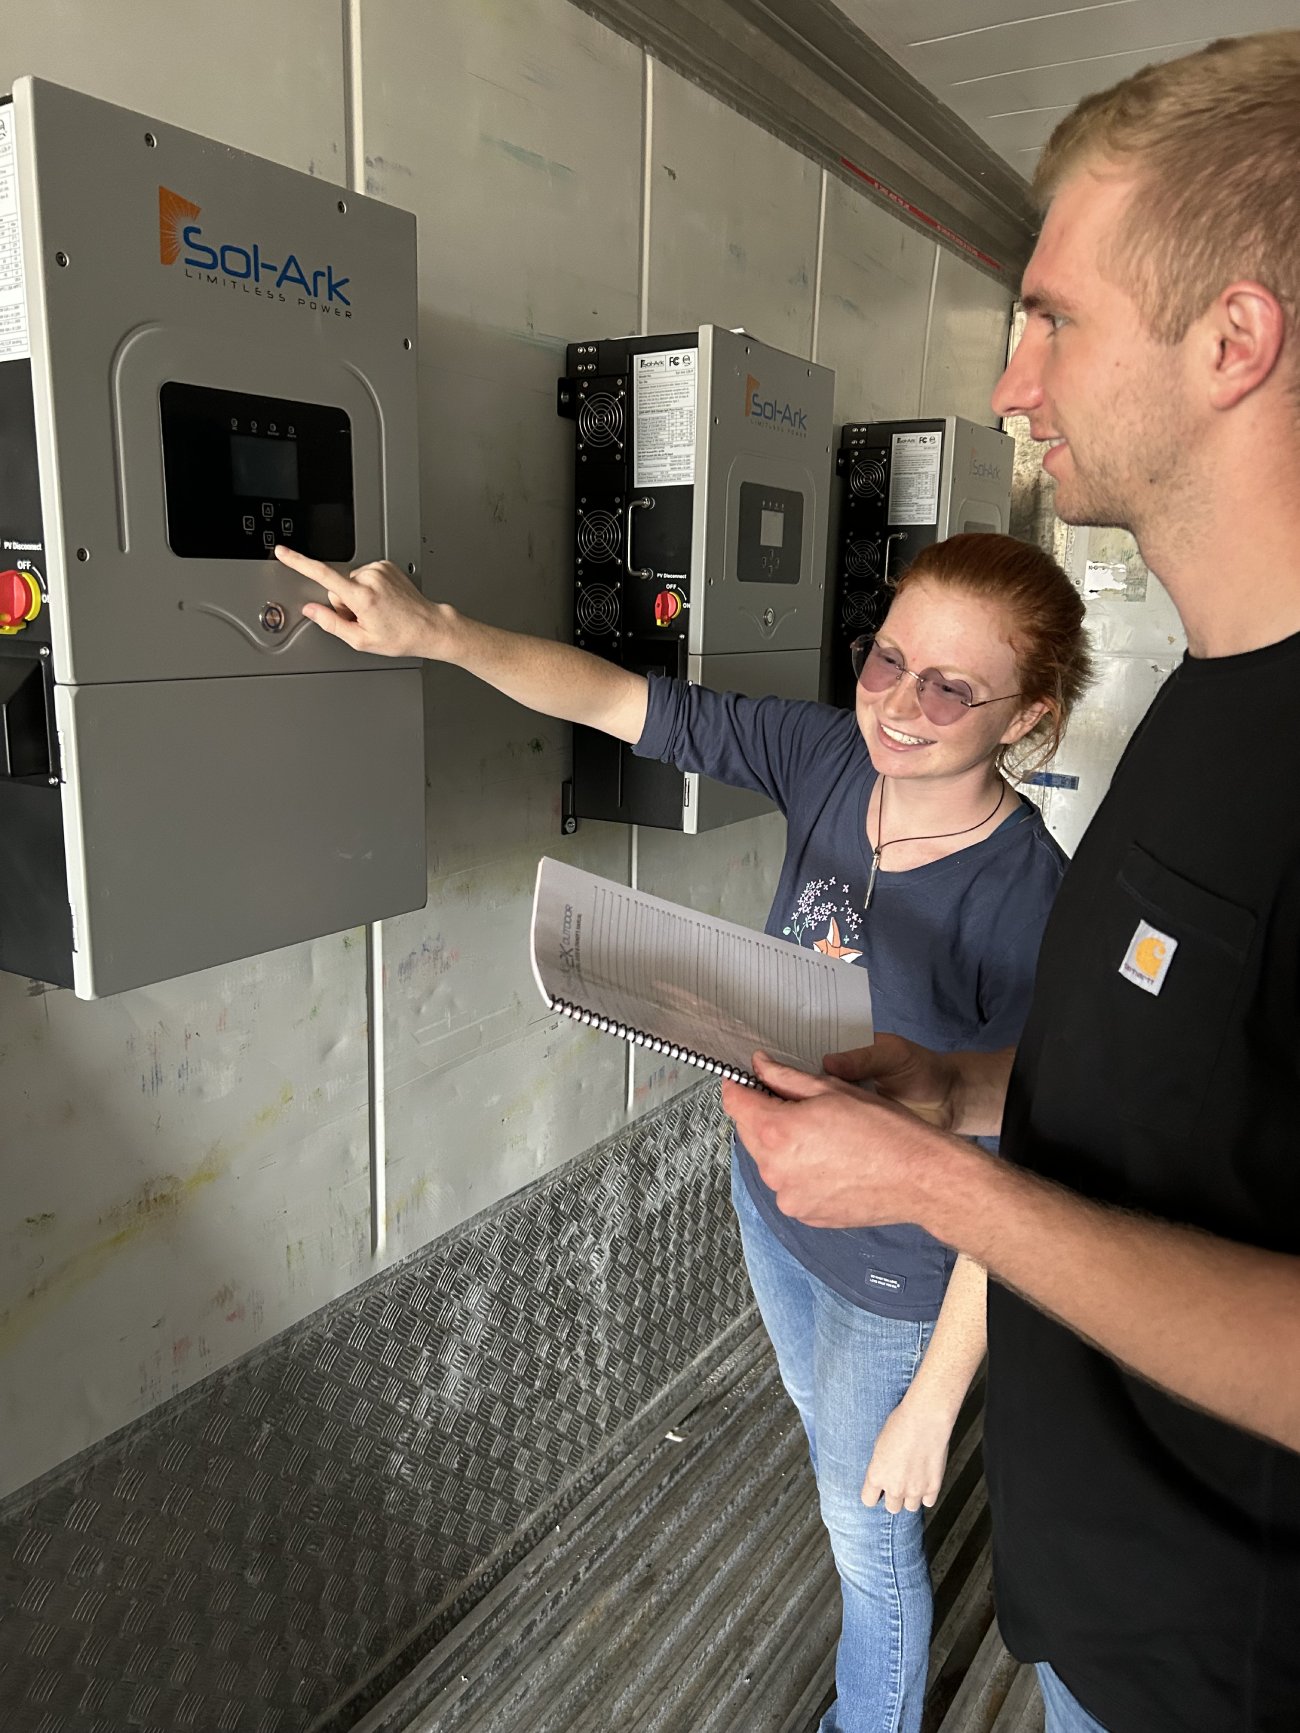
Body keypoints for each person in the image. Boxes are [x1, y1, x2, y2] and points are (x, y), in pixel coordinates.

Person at [722, 29, 1300, 1733]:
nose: (1008, 384)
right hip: (1099, 1628)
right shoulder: (1209, 701)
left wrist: (942, 1183)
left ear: (1233, 338)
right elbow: (1203, 1088)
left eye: (1051, 316)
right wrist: (959, 1081)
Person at [274, 530, 1090, 1733]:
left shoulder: (1028, 896)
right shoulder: (826, 755)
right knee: (831, 1455)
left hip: (898, 1273)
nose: (898, 705)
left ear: (1029, 715)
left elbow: (1027, 1165)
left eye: (950, 687)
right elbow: (619, 701)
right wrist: (436, 634)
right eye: (886, 659)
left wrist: (934, 1397)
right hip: (773, 1205)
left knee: (868, 1541)